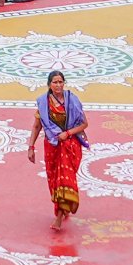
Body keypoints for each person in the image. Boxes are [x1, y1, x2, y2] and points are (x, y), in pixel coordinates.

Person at [33, 76, 90, 227]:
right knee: (54, 180)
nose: (58, 85)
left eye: (60, 82)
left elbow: (84, 123)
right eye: (55, 82)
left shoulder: (73, 100)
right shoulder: (43, 103)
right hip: (52, 146)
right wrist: (31, 147)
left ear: (64, 83)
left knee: (64, 179)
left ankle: (59, 217)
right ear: (49, 84)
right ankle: (62, 208)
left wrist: (68, 133)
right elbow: (37, 126)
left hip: (70, 146)